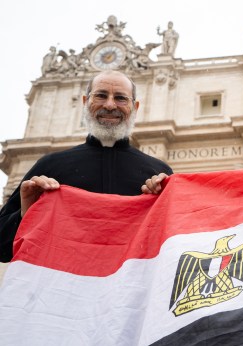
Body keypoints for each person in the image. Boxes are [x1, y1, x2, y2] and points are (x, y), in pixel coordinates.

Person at [0, 70, 173, 262]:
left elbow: (175, 247)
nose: (109, 105)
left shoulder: (158, 173)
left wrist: (163, 206)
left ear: (135, 107)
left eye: (121, 98)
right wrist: (26, 212)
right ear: (85, 102)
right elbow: (2, 249)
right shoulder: (50, 166)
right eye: (100, 95)